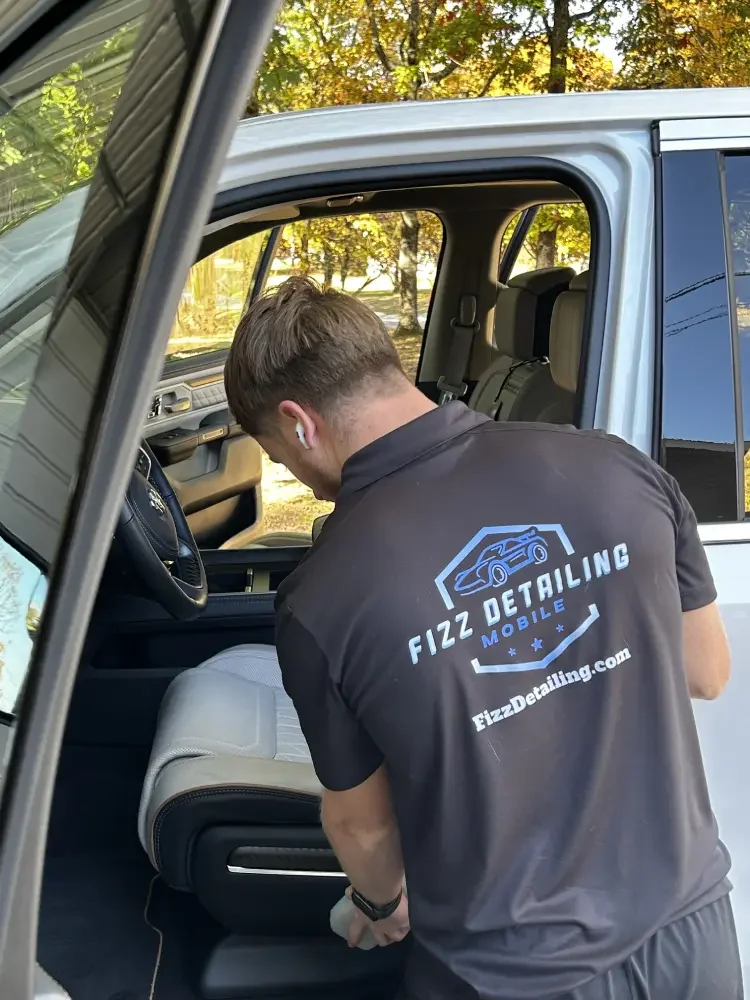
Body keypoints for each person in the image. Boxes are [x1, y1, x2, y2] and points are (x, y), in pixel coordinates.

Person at [224, 275, 740, 1000]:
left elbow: (364, 831)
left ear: (300, 423)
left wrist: (378, 905)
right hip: (693, 936)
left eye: (281, 458)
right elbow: (706, 671)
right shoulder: (616, 466)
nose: (303, 482)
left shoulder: (322, 598)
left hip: (507, 976)